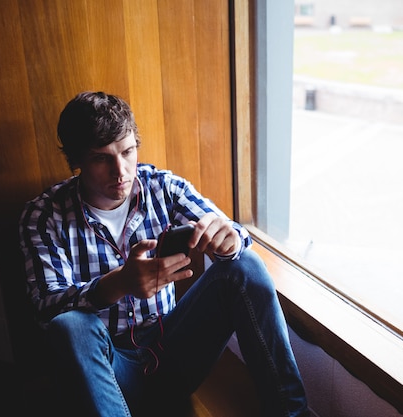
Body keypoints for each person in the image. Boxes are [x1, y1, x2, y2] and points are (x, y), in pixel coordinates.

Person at [19, 91, 309, 417]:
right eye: (102, 158)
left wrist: (229, 240)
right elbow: (46, 313)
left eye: (128, 152)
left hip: (171, 350)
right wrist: (118, 284)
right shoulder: (45, 215)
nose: (121, 171)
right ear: (77, 160)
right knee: (70, 327)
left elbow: (232, 234)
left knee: (245, 266)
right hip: (104, 368)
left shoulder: (162, 187)